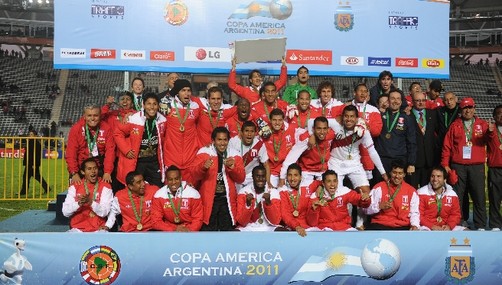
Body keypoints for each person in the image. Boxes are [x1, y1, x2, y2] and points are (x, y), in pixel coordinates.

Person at [441, 97, 488, 230]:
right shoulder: (455, 125)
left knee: (478, 194)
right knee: (458, 195)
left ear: (474, 108)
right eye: (464, 108)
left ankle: (480, 224)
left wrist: (490, 132)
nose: (467, 110)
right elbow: (447, 146)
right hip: (458, 165)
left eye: (470, 107)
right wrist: (445, 164)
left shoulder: (483, 124)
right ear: (461, 110)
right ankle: (459, 222)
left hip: (476, 165)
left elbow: (489, 141)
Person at [191, 127, 245, 231]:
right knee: (208, 233)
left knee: (227, 235)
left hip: (227, 200)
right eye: (219, 140)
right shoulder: (204, 152)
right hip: (209, 200)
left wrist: (233, 168)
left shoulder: (234, 154)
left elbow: (241, 178)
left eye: (225, 140)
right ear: (213, 141)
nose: (222, 143)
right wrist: (203, 167)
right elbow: (194, 175)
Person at [114, 93, 168, 188]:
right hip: (138, 162)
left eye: (154, 104)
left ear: (158, 106)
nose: (152, 107)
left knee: (157, 188)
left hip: (154, 162)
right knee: (136, 188)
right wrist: (126, 150)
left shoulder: (163, 120)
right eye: (149, 104)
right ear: (143, 105)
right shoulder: (134, 119)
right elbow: (118, 132)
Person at [164, 79, 202, 184]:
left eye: (189, 90)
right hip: (171, 158)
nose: (187, 93)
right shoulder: (168, 105)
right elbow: (149, 111)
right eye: (183, 90)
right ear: (177, 92)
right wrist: (129, 114)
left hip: (191, 158)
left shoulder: (196, 106)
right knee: (172, 193)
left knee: (189, 192)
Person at [374, 90, 416, 182]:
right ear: (388, 101)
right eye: (392, 98)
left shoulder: (407, 118)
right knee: (381, 189)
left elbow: (412, 142)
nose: (395, 101)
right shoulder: (379, 116)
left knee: (398, 190)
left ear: (401, 102)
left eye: (398, 99)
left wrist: (411, 163)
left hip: (400, 159)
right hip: (381, 160)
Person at [306, 170, 371, 231]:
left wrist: (365, 199)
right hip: (324, 230)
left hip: (344, 228)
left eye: (335, 181)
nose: (332, 184)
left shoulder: (344, 192)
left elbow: (363, 203)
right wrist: (313, 210)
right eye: (329, 181)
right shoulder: (315, 197)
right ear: (323, 183)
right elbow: (312, 223)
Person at [66, 104, 115, 184]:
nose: (92, 118)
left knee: (102, 194)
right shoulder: (76, 129)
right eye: (89, 115)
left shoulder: (106, 128)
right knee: (78, 195)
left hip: (99, 168)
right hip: (80, 169)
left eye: (95, 115)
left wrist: (107, 172)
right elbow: (71, 152)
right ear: (84, 116)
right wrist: (74, 172)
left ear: (100, 116)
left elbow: (110, 151)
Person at [364, 160, 420, 230]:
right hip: (380, 225)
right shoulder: (379, 188)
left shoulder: (411, 191)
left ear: (404, 174)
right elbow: (365, 210)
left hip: (402, 227)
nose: (397, 176)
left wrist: (414, 225)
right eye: (394, 172)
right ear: (390, 173)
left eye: (400, 173)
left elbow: (414, 213)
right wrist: (378, 206)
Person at [62, 158, 113, 232]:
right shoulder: (75, 186)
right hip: (77, 229)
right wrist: (79, 203)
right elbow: (65, 212)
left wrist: (91, 202)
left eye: (95, 168)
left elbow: (104, 212)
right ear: (83, 172)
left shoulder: (105, 186)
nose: (93, 171)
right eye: (89, 169)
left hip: (98, 229)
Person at [279, 116, 331, 187]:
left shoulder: (331, 135)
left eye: (324, 129)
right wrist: (282, 177)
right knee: (306, 193)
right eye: (318, 129)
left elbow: (336, 123)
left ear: (328, 129)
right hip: (307, 171)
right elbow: (291, 158)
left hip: (322, 171)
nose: (322, 132)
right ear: (313, 129)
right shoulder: (305, 139)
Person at [151, 165, 203, 232]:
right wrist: (174, 229)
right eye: (170, 179)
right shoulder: (159, 195)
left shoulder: (193, 194)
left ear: (181, 178)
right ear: (166, 180)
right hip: (168, 231)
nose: (173, 182)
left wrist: (189, 230)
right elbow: (155, 221)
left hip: (188, 231)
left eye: (176, 179)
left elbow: (198, 219)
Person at [263, 108, 303, 187]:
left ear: (283, 120)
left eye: (280, 120)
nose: (277, 123)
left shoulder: (291, 129)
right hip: (272, 172)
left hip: (288, 172)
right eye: (274, 120)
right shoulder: (264, 132)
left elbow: (307, 133)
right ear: (270, 120)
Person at [409, 91, 441, 189]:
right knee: (413, 190)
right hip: (414, 162)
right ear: (413, 102)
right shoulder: (407, 115)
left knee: (428, 191)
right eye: (418, 100)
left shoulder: (433, 114)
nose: (421, 103)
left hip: (430, 161)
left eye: (423, 100)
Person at [235, 165, 281, 231]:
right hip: (249, 227)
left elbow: (275, 221)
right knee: (235, 232)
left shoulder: (273, 192)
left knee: (281, 230)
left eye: (263, 176)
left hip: (267, 226)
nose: (260, 179)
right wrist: (248, 205)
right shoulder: (244, 192)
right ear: (252, 177)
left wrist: (268, 203)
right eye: (258, 176)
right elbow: (242, 222)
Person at [417, 166, 463, 231]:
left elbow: (455, 215)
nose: (435, 179)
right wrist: (432, 226)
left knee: (467, 232)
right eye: (433, 176)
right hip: (427, 227)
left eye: (438, 176)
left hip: (446, 227)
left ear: (445, 180)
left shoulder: (452, 194)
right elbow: (419, 215)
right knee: (424, 232)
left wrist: (449, 226)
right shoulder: (421, 193)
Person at [228, 120, 271, 189]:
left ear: (255, 133)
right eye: (246, 131)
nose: (249, 134)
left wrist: (268, 182)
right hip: (236, 176)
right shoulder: (233, 142)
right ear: (241, 133)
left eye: (252, 131)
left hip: (251, 177)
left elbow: (266, 165)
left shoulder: (259, 144)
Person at [279, 163, 317, 237]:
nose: (292, 179)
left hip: (309, 227)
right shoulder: (282, 191)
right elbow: (285, 214)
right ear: (286, 177)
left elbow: (322, 182)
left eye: (295, 175)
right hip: (291, 228)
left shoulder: (307, 186)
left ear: (300, 177)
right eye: (290, 175)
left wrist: (320, 187)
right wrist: (297, 226)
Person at [486, 105, 502, 230]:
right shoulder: (490, 130)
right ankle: (495, 224)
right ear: (494, 116)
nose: (501, 115)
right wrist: (489, 132)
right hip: (495, 169)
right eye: (498, 113)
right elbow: (484, 139)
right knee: (495, 197)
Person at [20, 130, 49, 195]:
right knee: (29, 177)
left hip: (32, 164)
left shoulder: (36, 144)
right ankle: (24, 191)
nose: (30, 136)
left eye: (31, 134)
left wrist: (34, 164)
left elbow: (37, 155)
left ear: (35, 135)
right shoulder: (30, 142)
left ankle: (24, 191)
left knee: (31, 177)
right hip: (30, 163)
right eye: (29, 134)